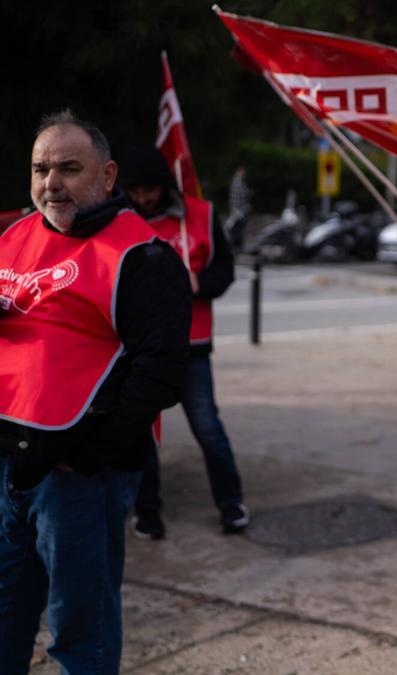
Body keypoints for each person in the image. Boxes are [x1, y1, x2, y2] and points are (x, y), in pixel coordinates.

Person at [0, 112, 192, 673]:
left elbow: (160, 374)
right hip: (8, 466)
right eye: (40, 169)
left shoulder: (145, 257)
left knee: (79, 632)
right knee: (6, 616)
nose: (50, 183)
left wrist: (86, 458)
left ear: (107, 176)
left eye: (67, 168)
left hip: (77, 481)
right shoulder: (13, 237)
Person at [118, 146, 249, 539]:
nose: (144, 200)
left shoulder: (202, 216)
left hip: (191, 346)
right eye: (136, 192)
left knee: (208, 428)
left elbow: (225, 271)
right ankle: (148, 511)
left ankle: (231, 503)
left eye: (151, 192)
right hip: (137, 348)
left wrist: (200, 284)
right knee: (142, 432)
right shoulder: (120, 221)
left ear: (165, 186)